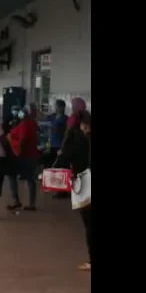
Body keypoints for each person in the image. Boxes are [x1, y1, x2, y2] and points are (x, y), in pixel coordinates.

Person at [58, 110, 91, 271]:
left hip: (84, 184)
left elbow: (64, 158)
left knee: (89, 223)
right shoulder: (84, 138)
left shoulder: (75, 139)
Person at [6, 104, 41, 211]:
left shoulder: (26, 124)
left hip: (23, 156)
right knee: (30, 179)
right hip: (31, 155)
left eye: (23, 111)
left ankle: (17, 201)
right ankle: (31, 203)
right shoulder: (32, 124)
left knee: (12, 176)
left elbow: (23, 139)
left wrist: (18, 153)